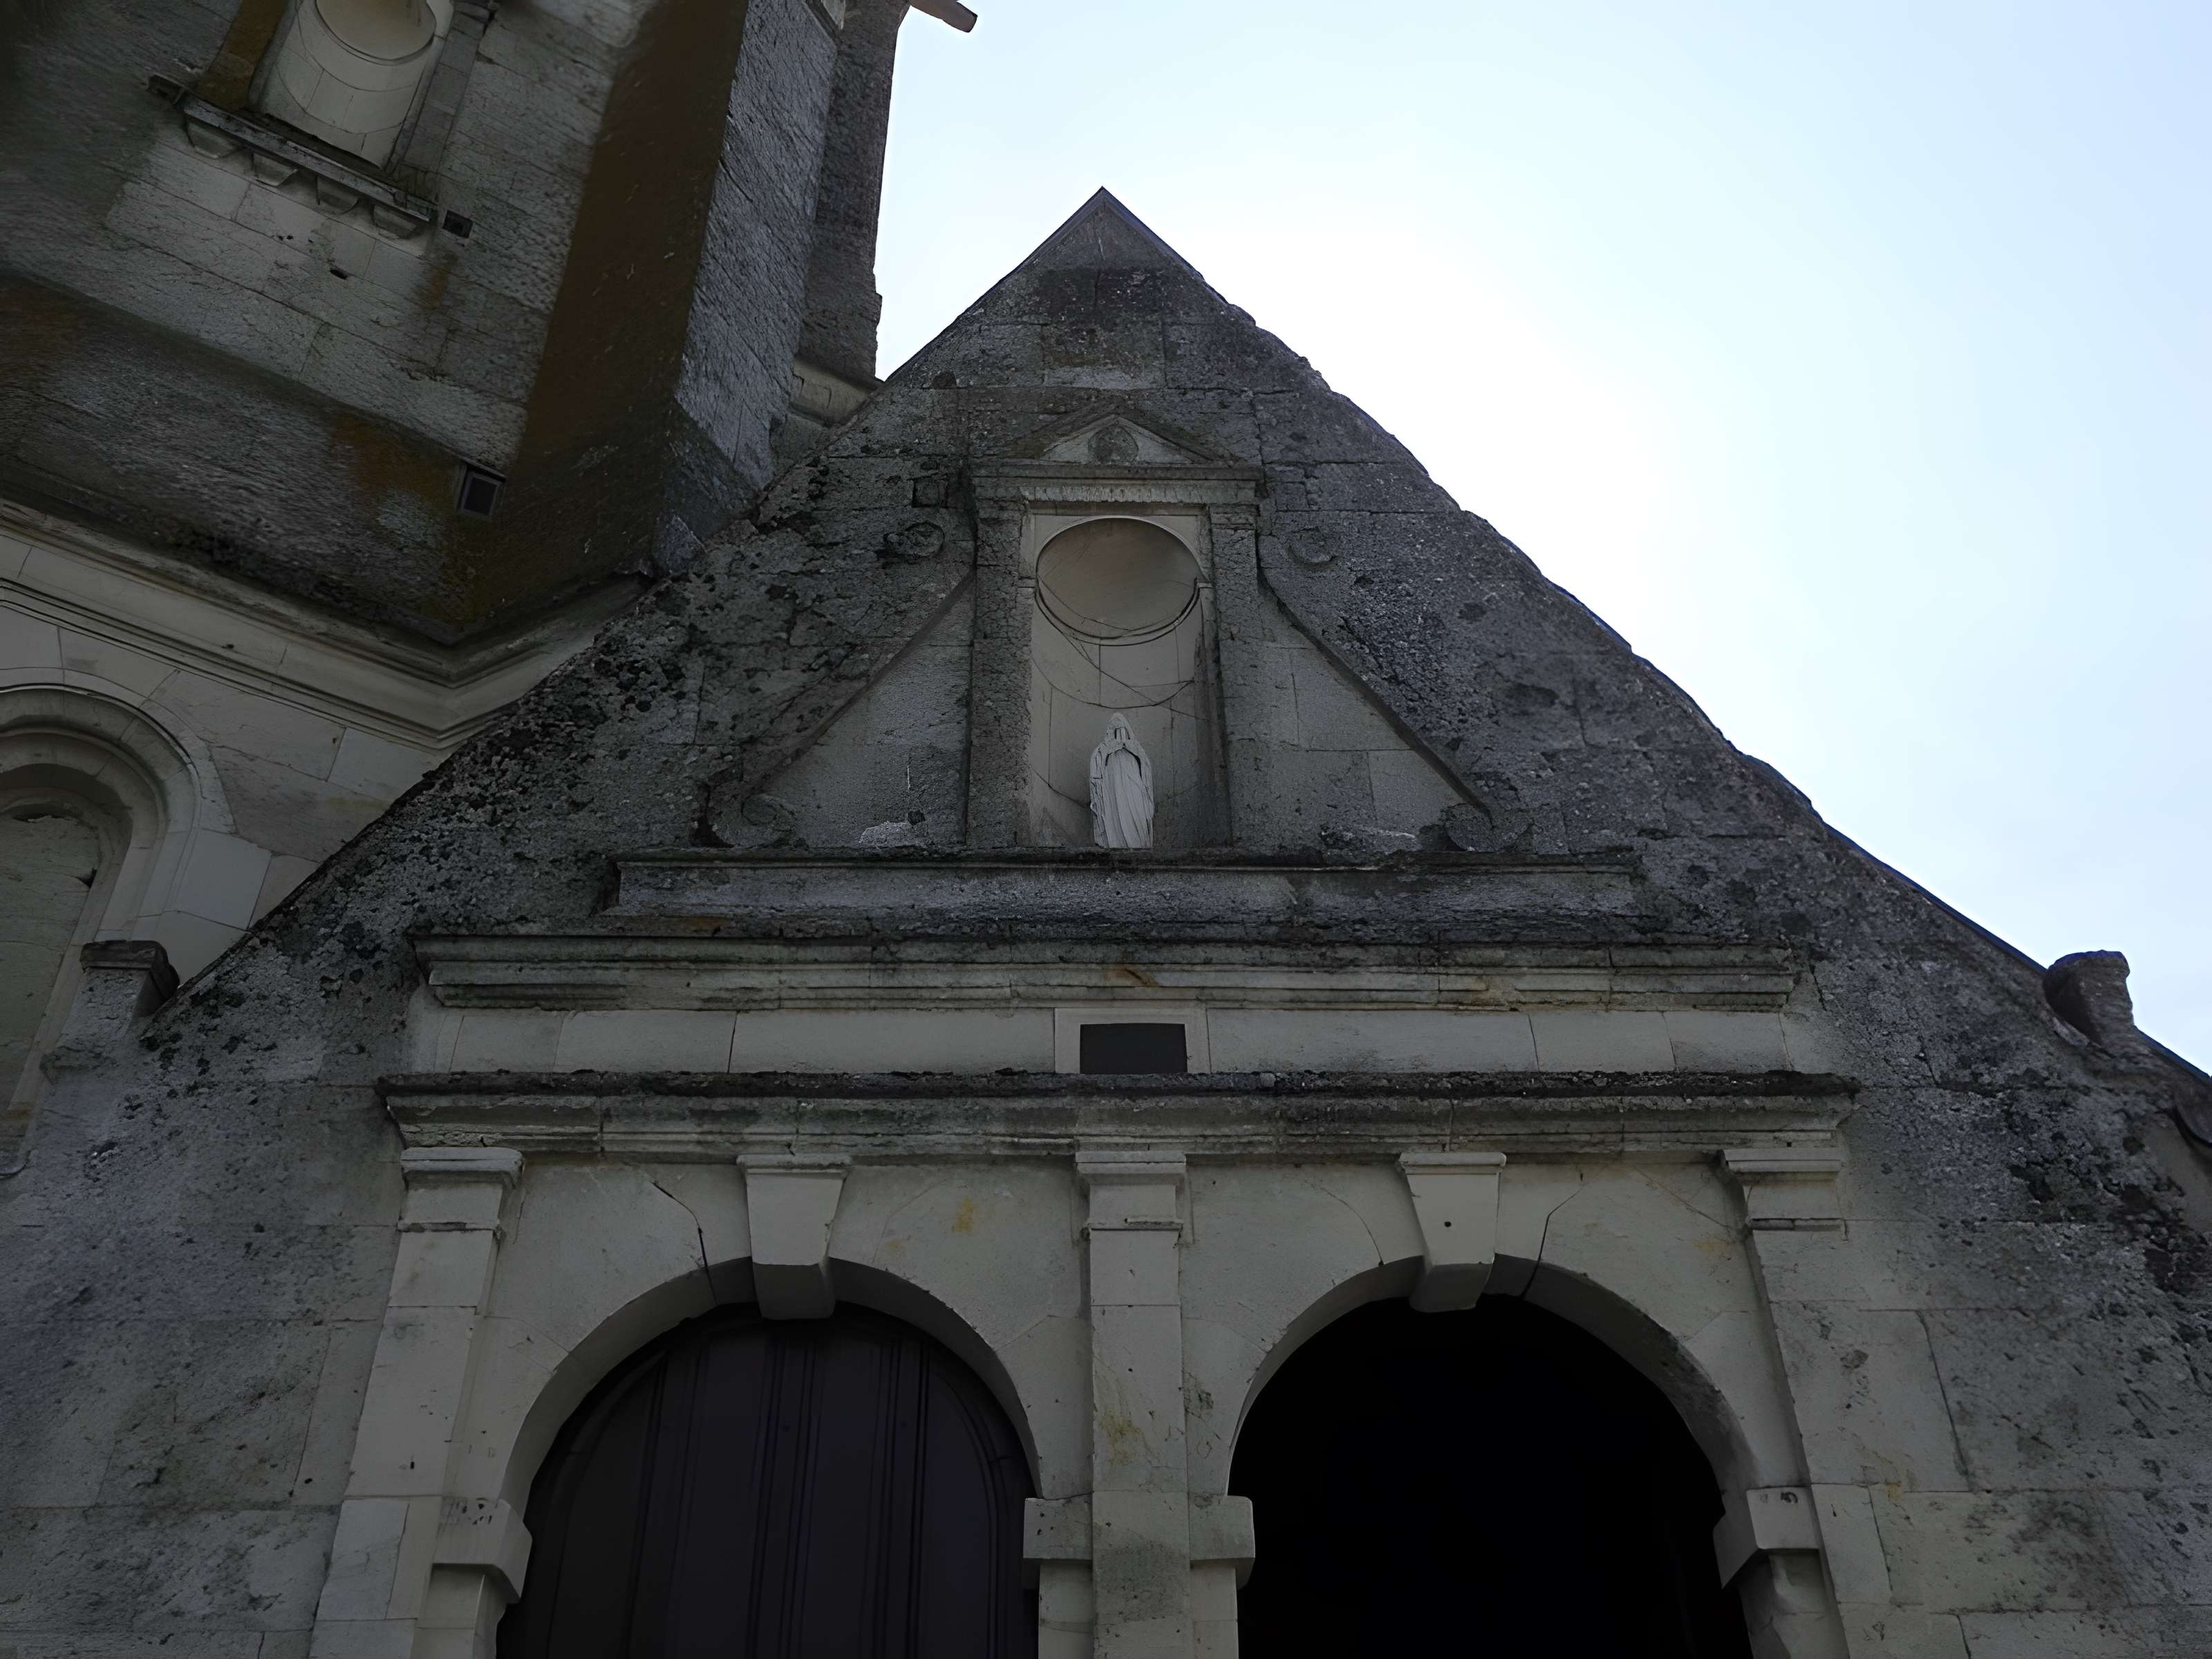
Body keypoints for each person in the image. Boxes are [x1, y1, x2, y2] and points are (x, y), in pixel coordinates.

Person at [1088, 715, 1154, 848]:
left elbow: (1145, 771)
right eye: (1116, 729)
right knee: (1116, 812)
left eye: (1123, 729)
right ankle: (1116, 841)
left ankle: (1139, 841)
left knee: (1136, 815)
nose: (1120, 733)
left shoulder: (1137, 750)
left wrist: (1130, 748)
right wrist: (1109, 749)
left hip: (1134, 789)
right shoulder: (1104, 750)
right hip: (1114, 791)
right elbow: (1097, 770)